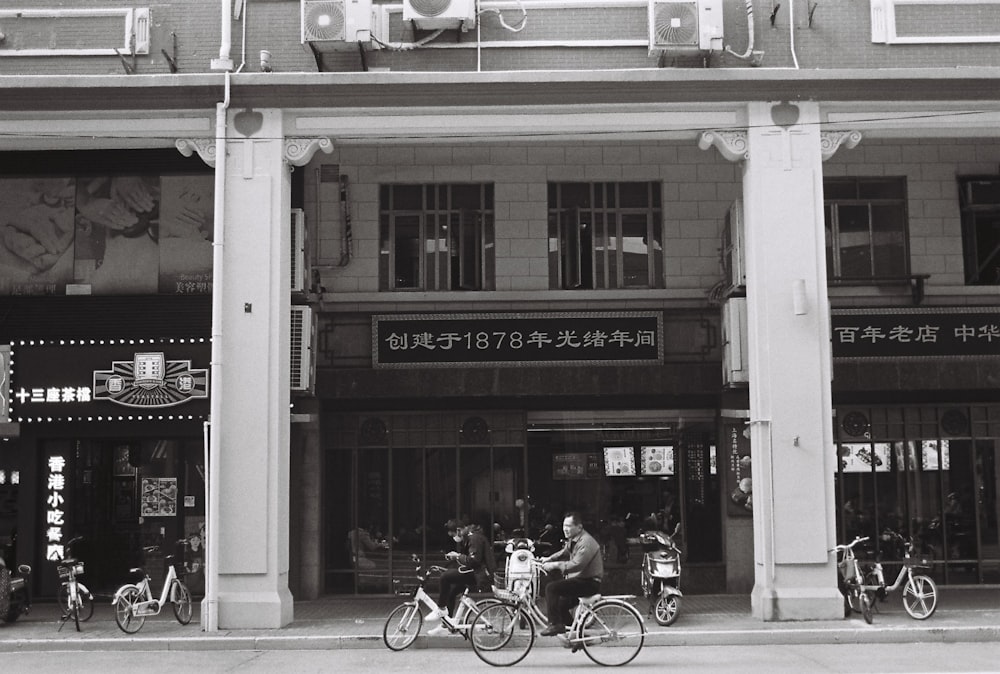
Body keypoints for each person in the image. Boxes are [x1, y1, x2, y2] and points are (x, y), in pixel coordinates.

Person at [538, 511, 604, 636]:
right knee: (561, 605)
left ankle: (555, 625)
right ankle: (578, 636)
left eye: (569, 526)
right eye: (564, 526)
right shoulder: (574, 540)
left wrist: (555, 565)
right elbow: (564, 552)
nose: (565, 529)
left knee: (551, 588)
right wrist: (548, 559)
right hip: (582, 580)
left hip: (589, 583)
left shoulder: (586, 542)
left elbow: (577, 564)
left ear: (579, 527)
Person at [427, 518, 494, 636]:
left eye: (453, 534)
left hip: (480, 575)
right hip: (476, 572)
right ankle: (447, 625)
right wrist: (455, 558)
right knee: (452, 593)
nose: (454, 538)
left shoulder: (474, 538)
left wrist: (457, 556)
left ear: (459, 530)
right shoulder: (471, 537)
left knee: (445, 578)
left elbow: (474, 561)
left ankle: (441, 608)